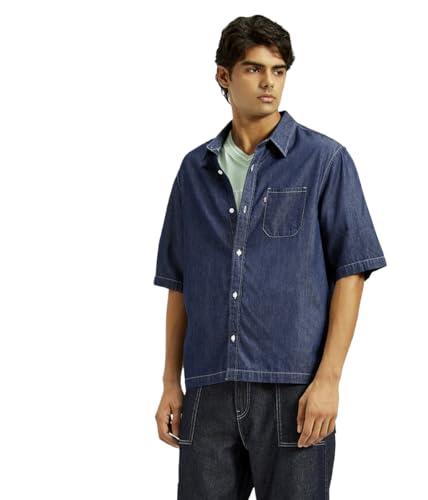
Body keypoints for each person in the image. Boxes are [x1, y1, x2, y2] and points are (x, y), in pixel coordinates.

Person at [153, 14, 387, 500]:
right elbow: (179, 284)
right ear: (224, 75)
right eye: (254, 69)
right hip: (208, 391)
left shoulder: (325, 161)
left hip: (293, 392)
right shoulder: (194, 171)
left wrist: (328, 380)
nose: (268, 83)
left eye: (278, 71)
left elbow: (351, 273)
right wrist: (170, 382)